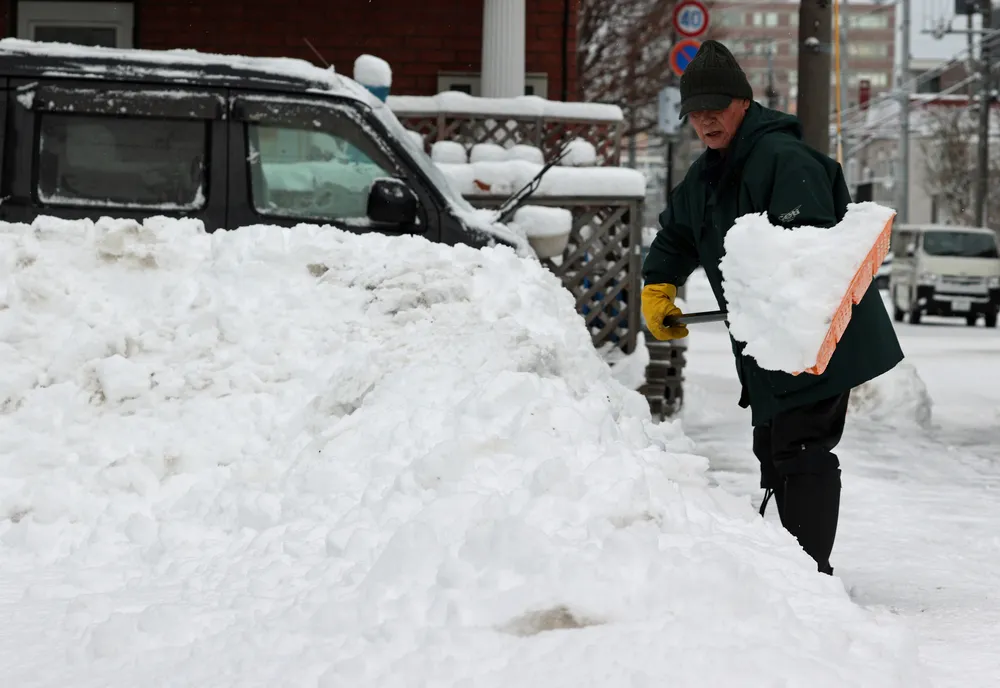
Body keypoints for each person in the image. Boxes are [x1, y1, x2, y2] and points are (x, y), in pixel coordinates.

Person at [641, 40, 904, 575]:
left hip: (817, 334)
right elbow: (678, 233)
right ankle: (790, 568)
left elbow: (803, 255)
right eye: (696, 111)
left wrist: (767, 304)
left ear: (744, 102)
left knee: (800, 445)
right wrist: (658, 283)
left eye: (717, 107)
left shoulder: (785, 160)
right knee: (773, 442)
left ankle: (809, 572)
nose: (707, 120)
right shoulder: (710, 172)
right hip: (769, 338)